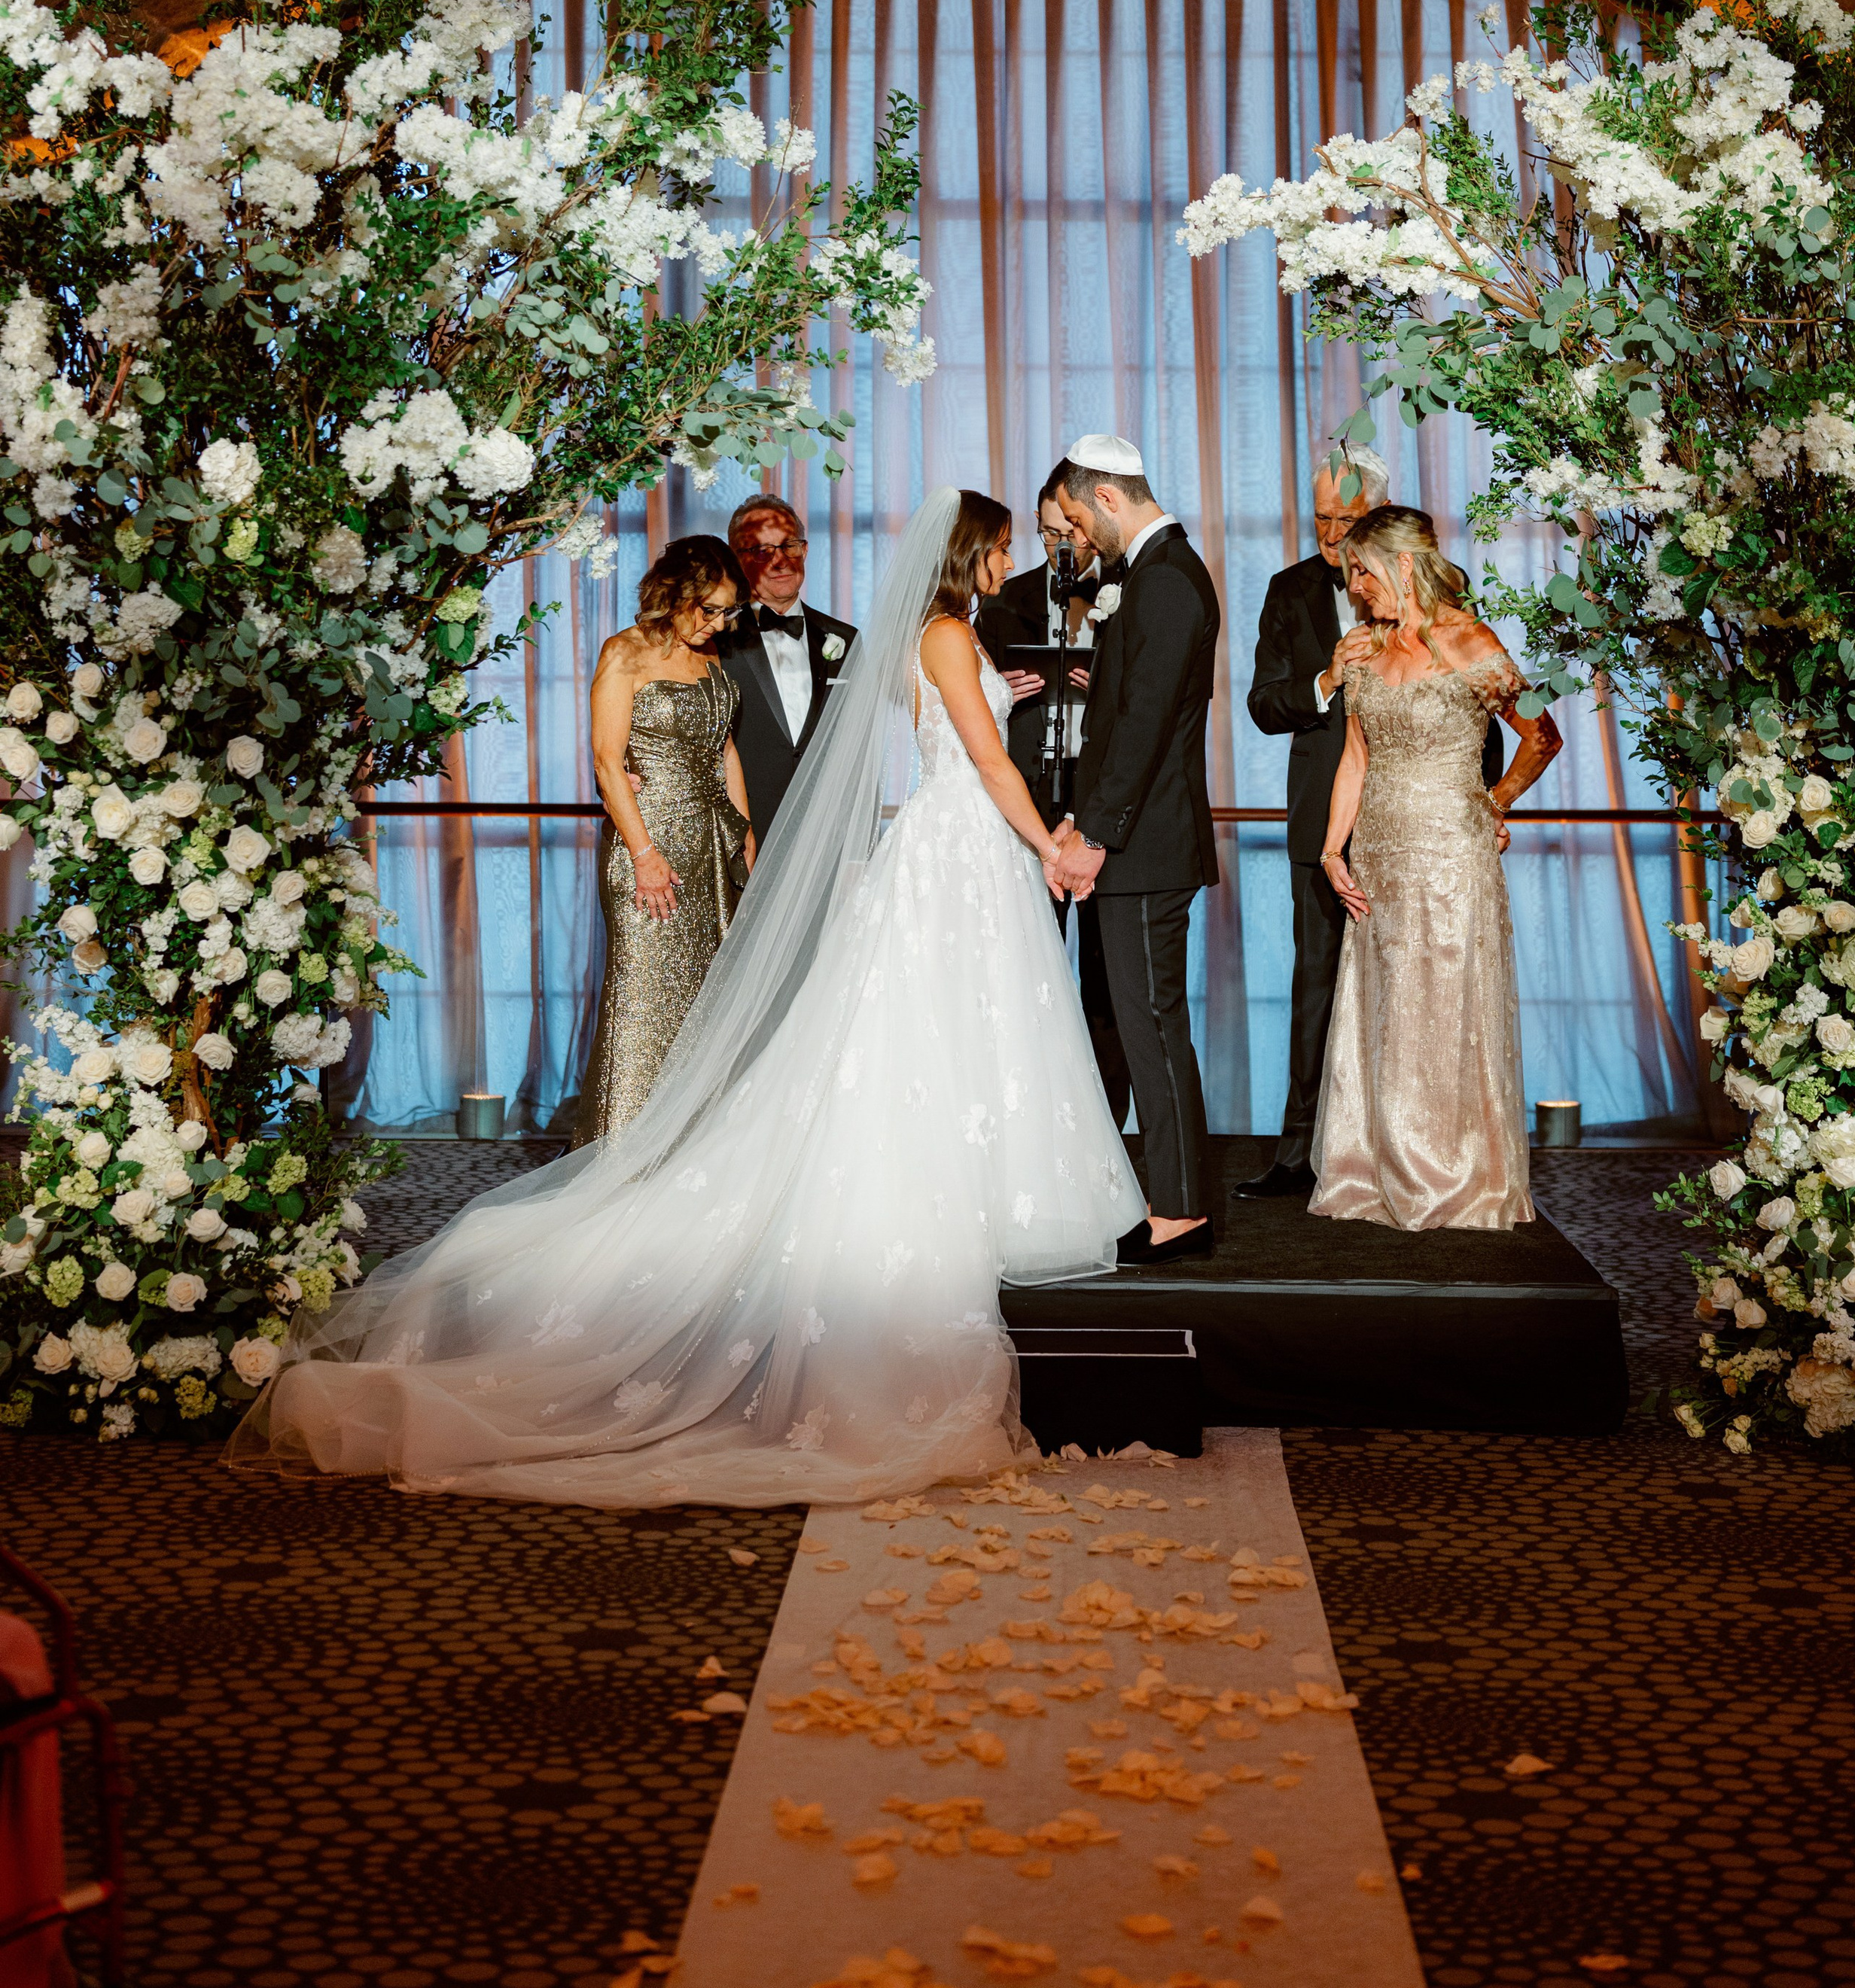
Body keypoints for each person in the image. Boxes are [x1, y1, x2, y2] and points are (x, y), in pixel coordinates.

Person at [229, 489, 1145, 1505]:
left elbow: (958, 729)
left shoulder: (934, 636)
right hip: (944, 840)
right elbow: (974, 754)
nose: (1012, 559)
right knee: (902, 1031)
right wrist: (1050, 838)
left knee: (968, 1028)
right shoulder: (927, 635)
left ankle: (982, 1184)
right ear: (970, 551)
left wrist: (1005, 709)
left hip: (922, 844)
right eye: (1003, 545)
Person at [1241, 458, 1504, 1201]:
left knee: (1428, 989)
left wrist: (1483, 803)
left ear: (1381, 517)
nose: (1328, 534)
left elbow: (1480, 721)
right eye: (1318, 518)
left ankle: (1421, 1151)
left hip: (1427, 828)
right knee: (1318, 989)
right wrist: (1327, 679)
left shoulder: (1449, 608)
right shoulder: (1289, 592)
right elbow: (1263, 706)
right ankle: (1303, 1153)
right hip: (1329, 819)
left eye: (1343, 520)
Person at [1311, 504, 1561, 1232]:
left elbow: (1541, 736)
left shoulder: (1470, 640)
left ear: (1403, 564)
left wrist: (1496, 801)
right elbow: (1354, 758)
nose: (1355, 588)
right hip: (1379, 851)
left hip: (1452, 851)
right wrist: (1332, 851)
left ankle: (1456, 1175)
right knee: (1385, 1011)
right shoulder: (1361, 647)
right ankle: (1377, 1168)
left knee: (1446, 1011)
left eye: (1360, 571)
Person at [1049, 435, 1220, 1261]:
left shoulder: (1164, 582)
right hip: (1134, 839)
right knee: (1144, 1021)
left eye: (1080, 520)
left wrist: (1096, 838)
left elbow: (1144, 726)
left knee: (1152, 1023)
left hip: (1145, 845)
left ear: (1109, 500)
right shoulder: (1151, 578)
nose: (1080, 538)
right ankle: (1173, 1193)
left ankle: (1183, 1208)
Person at [577, 536, 755, 1141]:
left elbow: (725, 752)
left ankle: (688, 1155)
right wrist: (645, 856)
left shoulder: (711, 661)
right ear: (674, 593)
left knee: (704, 1011)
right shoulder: (625, 653)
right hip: (648, 850)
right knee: (644, 1007)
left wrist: (745, 843)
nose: (717, 622)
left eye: (727, 610)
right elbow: (606, 762)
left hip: (712, 849)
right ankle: (619, 1164)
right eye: (708, 608)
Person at [975, 461, 1127, 1125]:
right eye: (1044, 532)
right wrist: (1001, 695)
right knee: (1022, 971)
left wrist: (1110, 686)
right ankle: (1027, 1123)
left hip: (1098, 802)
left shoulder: (1127, 590)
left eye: (1068, 529)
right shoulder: (1004, 596)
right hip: (1027, 803)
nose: (1057, 544)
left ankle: (1108, 1129)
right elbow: (967, 699)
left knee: (1106, 984)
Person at [715, 495, 856, 851]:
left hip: (824, 832)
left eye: (789, 546)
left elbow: (859, 737)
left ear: (805, 551)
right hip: (740, 831)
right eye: (762, 551)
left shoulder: (845, 639)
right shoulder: (715, 637)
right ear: (737, 559)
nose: (779, 561)